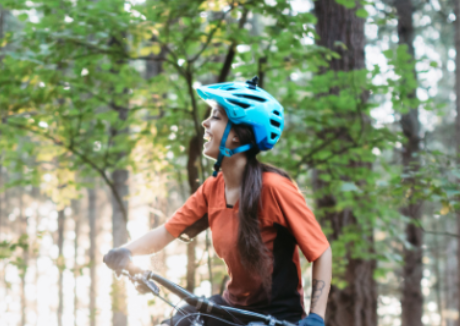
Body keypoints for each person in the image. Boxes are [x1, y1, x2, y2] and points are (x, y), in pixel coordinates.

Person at [103, 77, 333, 326]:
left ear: (236, 136)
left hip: (275, 315)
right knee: (182, 320)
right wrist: (126, 251)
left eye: (216, 116)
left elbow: (321, 252)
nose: (205, 122)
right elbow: (166, 233)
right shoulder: (212, 188)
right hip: (232, 308)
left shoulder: (275, 188)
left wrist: (315, 317)